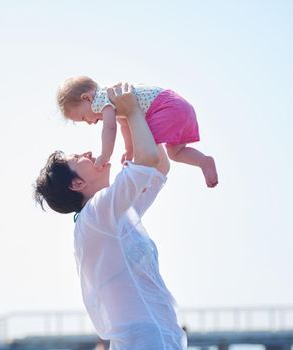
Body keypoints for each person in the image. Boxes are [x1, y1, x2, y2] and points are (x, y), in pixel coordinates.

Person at [34, 83, 187, 349]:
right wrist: (131, 112)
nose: (89, 152)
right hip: (144, 341)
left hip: (160, 337)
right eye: (79, 158)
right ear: (76, 184)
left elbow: (159, 166)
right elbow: (149, 158)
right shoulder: (96, 214)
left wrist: (129, 116)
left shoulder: (110, 214)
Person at [57, 75, 218, 187]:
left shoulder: (100, 99)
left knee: (146, 142)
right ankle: (203, 161)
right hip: (180, 107)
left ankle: (144, 179)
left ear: (86, 98)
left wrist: (105, 155)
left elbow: (110, 128)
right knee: (175, 153)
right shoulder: (114, 98)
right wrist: (129, 150)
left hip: (165, 108)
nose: (89, 123)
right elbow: (125, 124)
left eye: (84, 117)